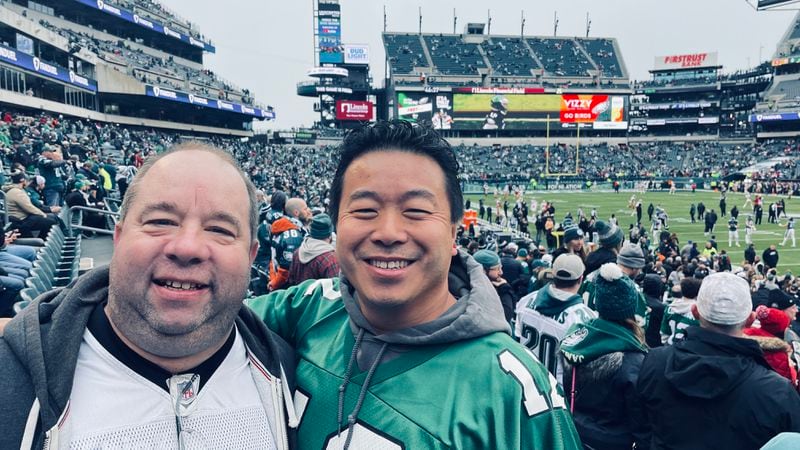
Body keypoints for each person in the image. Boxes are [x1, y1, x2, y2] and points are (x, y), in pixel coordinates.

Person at [247, 121, 580, 448]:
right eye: (364, 209)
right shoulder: (309, 308)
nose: (389, 233)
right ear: (337, 226)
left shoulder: (514, 392)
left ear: (453, 233)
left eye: (417, 210)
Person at [0, 143, 297, 449]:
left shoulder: (289, 375)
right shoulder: (11, 377)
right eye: (161, 222)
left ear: (251, 255)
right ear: (118, 236)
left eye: (220, 229)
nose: (187, 248)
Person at [637, 272, 800, 449]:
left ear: (695, 311)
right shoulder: (777, 390)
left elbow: (642, 429)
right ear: (750, 319)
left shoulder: (654, 362)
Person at [561, 263, 650, 450]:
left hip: (574, 432)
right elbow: (640, 421)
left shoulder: (576, 338)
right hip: (614, 442)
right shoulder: (632, 360)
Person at [515, 254, 597, 380]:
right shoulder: (584, 318)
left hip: (527, 382)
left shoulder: (525, 301)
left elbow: (516, 342)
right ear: (581, 279)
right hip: (558, 393)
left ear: (553, 275)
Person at [286, 212, 339, 287]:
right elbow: (335, 290)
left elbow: (291, 281)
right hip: (318, 299)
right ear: (330, 234)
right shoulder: (330, 259)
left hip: (299, 297)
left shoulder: (298, 252)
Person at [268, 197, 311, 291]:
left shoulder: (287, 226)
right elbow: (287, 268)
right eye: (305, 208)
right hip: (288, 289)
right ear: (296, 213)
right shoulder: (293, 235)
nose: (309, 210)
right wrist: (275, 283)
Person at [2, 170, 57, 238]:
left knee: (50, 219)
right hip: (20, 221)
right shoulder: (16, 192)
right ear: (22, 180)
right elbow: (29, 207)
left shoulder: (16, 190)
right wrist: (43, 214)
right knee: (50, 221)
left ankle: (42, 240)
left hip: (23, 218)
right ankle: (42, 240)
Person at [475, 249, 516, 323]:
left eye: (501, 267)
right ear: (483, 270)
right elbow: (506, 315)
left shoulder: (491, 284)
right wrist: (504, 289)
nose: (501, 272)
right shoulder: (478, 290)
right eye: (497, 269)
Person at [660, 277, 702, 345]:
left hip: (670, 346)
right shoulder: (698, 311)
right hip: (689, 349)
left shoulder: (670, 307)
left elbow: (664, 331)